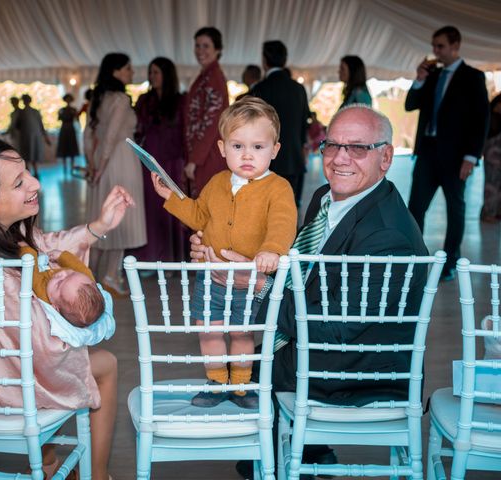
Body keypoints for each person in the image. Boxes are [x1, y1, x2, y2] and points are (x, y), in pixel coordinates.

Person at [190, 106, 429, 476]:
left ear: (386, 157)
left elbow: (332, 328)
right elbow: (299, 273)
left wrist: (255, 284)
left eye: (357, 148)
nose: (339, 158)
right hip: (322, 342)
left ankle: (273, 464)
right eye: (331, 145)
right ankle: (305, 454)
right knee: (233, 365)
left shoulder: (388, 236)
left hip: (357, 370)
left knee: (244, 372)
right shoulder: (326, 197)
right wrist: (216, 247)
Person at [0, 137, 129, 480]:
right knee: (103, 364)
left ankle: (51, 465)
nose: (35, 183)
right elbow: (34, 339)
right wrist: (74, 325)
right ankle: (97, 475)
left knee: (64, 360)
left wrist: (100, 226)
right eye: (19, 183)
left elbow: (44, 248)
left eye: (27, 173)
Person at [153, 97, 297, 409]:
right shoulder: (216, 183)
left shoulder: (278, 188)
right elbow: (199, 215)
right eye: (237, 146)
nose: (247, 155)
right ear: (222, 149)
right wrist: (171, 196)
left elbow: (283, 224)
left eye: (258, 147)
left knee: (241, 334)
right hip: (210, 279)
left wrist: (272, 251)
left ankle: (242, 385)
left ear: (274, 150)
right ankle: (217, 382)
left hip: (247, 279)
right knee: (209, 332)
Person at [405, 25, 489, 281]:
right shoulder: (431, 75)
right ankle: (414, 259)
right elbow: (410, 105)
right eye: (434, 46)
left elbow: (481, 119)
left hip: (456, 156)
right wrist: (419, 78)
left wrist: (471, 157)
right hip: (427, 153)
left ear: (455, 46)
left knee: (455, 209)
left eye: (440, 46)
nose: (435, 51)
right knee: (415, 208)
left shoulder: (473, 77)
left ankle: (450, 261)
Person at [84, 53, 146, 297]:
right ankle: (109, 275)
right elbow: (110, 137)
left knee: (101, 216)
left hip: (101, 159)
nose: (131, 72)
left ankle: (93, 275)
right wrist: (101, 166)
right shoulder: (120, 99)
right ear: (115, 71)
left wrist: (92, 162)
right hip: (119, 159)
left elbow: (88, 135)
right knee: (120, 217)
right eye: (128, 68)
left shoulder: (97, 98)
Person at [128, 57, 186, 263]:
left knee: (171, 205)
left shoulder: (180, 101)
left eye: (156, 72)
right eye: (150, 72)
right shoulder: (144, 100)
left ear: (166, 75)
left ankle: (172, 258)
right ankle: (149, 257)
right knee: (150, 206)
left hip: (172, 161)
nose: (152, 76)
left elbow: (185, 133)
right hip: (150, 160)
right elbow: (137, 130)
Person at [251, 40, 310, 207]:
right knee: (289, 209)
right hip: (294, 159)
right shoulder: (299, 89)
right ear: (285, 60)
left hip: (267, 161)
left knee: (266, 211)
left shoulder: (261, 88)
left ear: (264, 60)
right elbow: (304, 124)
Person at [184, 26, 229, 198]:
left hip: (208, 155)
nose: (200, 51)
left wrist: (195, 160)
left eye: (206, 46)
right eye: (197, 46)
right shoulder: (205, 76)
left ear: (217, 50)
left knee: (207, 210)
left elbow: (212, 123)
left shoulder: (214, 77)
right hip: (202, 153)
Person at [19, 245, 104, 328]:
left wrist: (28, 251)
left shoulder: (44, 294)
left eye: (59, 283)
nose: (61, 274)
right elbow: (80, 267)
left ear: (55, 307)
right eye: (71, 273)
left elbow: (31, 273)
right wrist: (61, 256)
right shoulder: (86, 280)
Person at [15, 94, 50, 178]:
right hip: (25, 137)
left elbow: (41, 125)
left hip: (34, 137)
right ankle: (28, 173)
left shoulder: (35, 112)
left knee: (33, 154)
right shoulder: (21, 112)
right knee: (27, 155)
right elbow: (17, 125)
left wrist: (46, 137)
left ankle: (35, 172)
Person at [481, 93, 501, 223]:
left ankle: (496, 212)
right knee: (492, 183)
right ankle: (489, 212)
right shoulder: (498, 101)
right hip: (494, 149)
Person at [57, 93, 80, 172]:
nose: (68, 101)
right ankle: (65, 167)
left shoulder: (74, 110)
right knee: (64, 148)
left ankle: (72, 166)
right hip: (64, 129)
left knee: (72, 148)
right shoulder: (61, 110)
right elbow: (58, 119)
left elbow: (77, 119)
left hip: (71, 129)